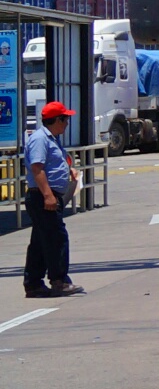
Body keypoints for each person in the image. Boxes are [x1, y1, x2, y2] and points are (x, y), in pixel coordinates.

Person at [20, 102, 81, 298]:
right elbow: (37, 168)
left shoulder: (52, 139)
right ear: (56, 120)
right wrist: (48, 195)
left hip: (49, 195)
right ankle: (59, 281)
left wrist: (67, 170)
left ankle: (33, 283)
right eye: (65, 119)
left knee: (40, 240)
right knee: (57, 238)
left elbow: (52, 163)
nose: (67, 123)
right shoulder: (40, 139)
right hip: (43, 196)